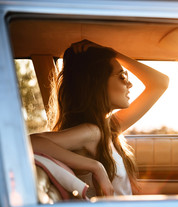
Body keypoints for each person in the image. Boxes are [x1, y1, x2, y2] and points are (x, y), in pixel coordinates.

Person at [30, 40, 169, 197]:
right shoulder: (92, 132)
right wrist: (95, 166)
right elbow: (30, 143)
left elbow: (160, 83)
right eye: (122, 77)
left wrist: (111, 51)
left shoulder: (109, 127)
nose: (129, 84)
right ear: (98, 83)